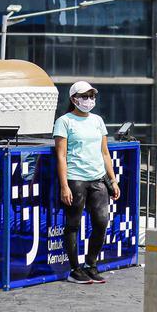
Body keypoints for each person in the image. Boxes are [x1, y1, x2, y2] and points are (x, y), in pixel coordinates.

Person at [53, 81, 121, 285]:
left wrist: (113, 179)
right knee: (73, 224)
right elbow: (61, 156)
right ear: (74, 99)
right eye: (85, 96)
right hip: (76, 179)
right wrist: (64, 185)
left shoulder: (98, 120)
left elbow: (105, 152)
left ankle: (91, 265)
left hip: (98, 178)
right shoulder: (64, 121)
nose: (89, 100)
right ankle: (75, 269)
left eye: (92, 96)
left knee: (101, 222)